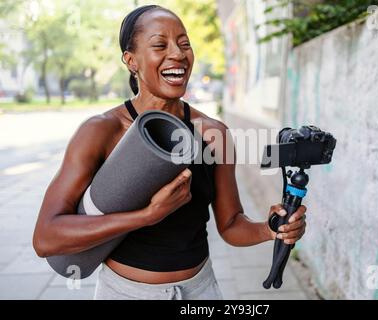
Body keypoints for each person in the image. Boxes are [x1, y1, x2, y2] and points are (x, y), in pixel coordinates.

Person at [32, 5, 307, 300]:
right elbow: (46, 237)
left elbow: (230, 225)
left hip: (200, 291)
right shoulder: (102, 131)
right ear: (131, 60)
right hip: (125, 293)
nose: (178, 54)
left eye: (185, 44)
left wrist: (270, 229)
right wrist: (146, 216)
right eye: (160, 45)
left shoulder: (214, 134)